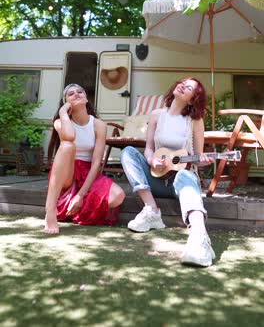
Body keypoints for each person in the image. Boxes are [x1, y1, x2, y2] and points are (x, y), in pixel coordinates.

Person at [120, 77, 215, 267]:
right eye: (182, 83)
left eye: (188, 87)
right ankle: (151, 211)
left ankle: (199, 238)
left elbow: (198, 156)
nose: (182, 86)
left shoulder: (195, 121)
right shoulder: (156, 114)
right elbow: (148, 148)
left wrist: (204, 160)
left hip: (179, 183)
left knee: (186, 175)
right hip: (155, 179)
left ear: (192, 99)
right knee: (128, 152)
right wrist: (151, 160)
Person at [44, 83, 125, 235]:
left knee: (118, 196)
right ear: (66, 102)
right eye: (71, 94)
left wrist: (80, 195)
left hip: (88, 172)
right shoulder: (60, 122)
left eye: (80, 91)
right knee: (68, 146)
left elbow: (96, 163)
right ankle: (50, 211)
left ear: (86, 98)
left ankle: (75, 206)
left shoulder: (98, 125)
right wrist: (63, 112)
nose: (76, 94)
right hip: (67, 172)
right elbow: (69, 136)